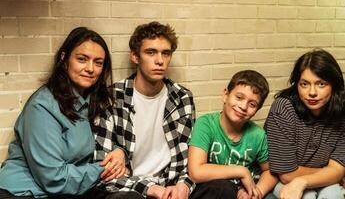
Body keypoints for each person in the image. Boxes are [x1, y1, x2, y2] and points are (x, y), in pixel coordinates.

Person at [0, 27, 126, 198]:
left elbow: (105, 139)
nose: (90, 68)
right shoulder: (42, 107)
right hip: (24, 192)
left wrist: (119, 152)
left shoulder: (93, 100)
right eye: (82, 59)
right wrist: (106, 168)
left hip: (69, 189)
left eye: (98, 62)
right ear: (64, 58)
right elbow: (53, 179)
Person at [93, 21, 195, 199]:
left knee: (220, 188)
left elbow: (189, 157)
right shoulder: (112, 97)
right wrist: (152, 189)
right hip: (129, 188)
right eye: (151, 52)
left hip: (170, 185)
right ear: (135, 56)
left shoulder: (182, 98)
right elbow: (104, 170)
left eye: (166, 53)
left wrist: (183, 185)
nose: (160, 61)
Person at [264, 49, 345, 199]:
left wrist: (304, 180)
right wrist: (331, 174)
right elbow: (287, 174)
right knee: (307, 196)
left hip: (320, 182)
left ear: (334, 85)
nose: (312, 92)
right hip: (282, 180)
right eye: (304, 84)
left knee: (333, 194)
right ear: (297, 85)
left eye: (321, 84)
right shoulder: (283, 109)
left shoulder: (342, 115)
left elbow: (338, 170)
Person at [188, 70, 277, 199]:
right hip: (215, 190)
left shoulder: (258, 135)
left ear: (257, 110)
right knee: (224, 189)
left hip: (246, 190)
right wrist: (241, 171)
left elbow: (270, 171)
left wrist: (255, 192)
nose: (243, 106)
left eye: (252, 104)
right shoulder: (206, 124)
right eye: (239, 97)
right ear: (226, 95)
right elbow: (195, 172)